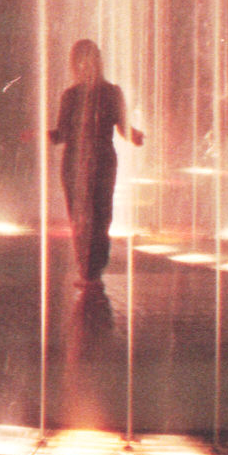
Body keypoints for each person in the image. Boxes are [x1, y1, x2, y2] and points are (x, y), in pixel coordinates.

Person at [47, 39, 145, 289]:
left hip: (101, 159)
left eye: (88, 59)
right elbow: (63, 133)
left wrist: (134, 135)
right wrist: (41, 135)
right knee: (81, 215)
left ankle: (94, 269)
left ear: (97, 61)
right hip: (76, 161)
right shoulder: (70, 95)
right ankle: (88, 269)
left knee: (100, 214)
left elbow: (122, 126)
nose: (84, 65)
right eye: (80, 60)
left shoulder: (112, 92)